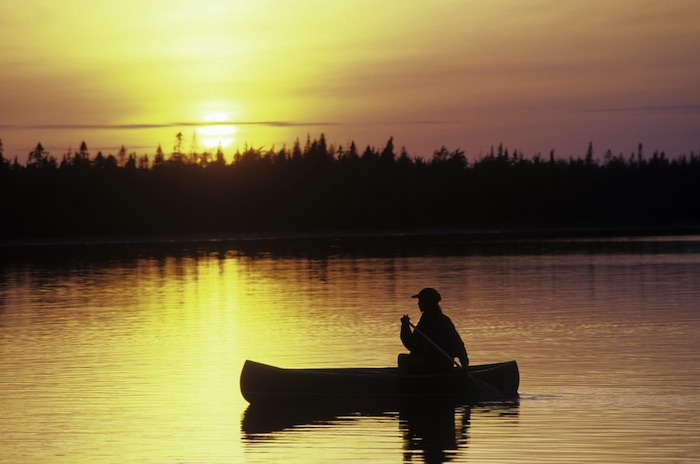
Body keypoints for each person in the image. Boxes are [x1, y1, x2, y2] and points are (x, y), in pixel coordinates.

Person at [399, 288, 469, 375]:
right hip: (427, 363)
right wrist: (405, 327)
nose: (418, 303)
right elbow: (412, 345)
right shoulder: (425, 321)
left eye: (421, 301)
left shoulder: (442, 321)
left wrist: (464, 366)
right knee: (407, 360)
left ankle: (405, 385)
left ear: (429, 303)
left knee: (402, 359)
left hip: (439, 365)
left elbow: (458, 345)